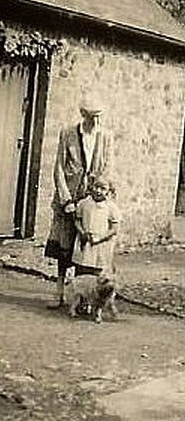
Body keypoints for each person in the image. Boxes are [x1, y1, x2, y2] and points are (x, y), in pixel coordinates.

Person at [44, 95, 112, 308]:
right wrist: (66, 200)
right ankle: (59, 292)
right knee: (64, 248)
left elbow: (107, 168)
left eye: (99, 117)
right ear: (83, 115)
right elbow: (59, 169)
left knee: (87, 248)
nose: (96, 122)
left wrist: (98, 197)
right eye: (92, 117)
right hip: (70, 200)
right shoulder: (68, 134)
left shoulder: (106, 137)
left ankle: (84, 296)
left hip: (91, 201)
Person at [72, 176, 121, 276]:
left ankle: (97, 289)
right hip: (85, 240)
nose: (98, 191)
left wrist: (100, 238)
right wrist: (82, 232)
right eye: (96, 187)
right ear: (91, 187)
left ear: (109, 191)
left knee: (98, 267)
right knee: (81, 267)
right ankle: (80, 288)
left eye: (103, 188)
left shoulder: (111, 207)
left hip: (100, 242)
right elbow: (77, 220)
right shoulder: (84, 203)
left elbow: (114, 228)